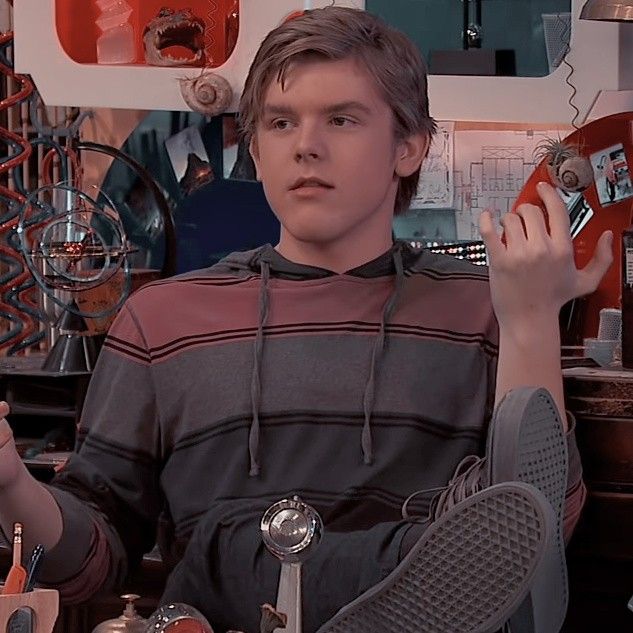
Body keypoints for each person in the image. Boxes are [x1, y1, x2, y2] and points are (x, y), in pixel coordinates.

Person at [0, 6, 613, 633]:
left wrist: (532, 321)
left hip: (428, 611)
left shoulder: (489, 307)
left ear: (408, 147)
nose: (306, 146)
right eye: (280, 122)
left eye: (342, 120)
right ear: (257, 150)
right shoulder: (164, 321)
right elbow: (89, 563)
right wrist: (10, 484)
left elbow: (534, 536)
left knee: (479, 522)